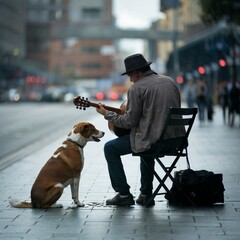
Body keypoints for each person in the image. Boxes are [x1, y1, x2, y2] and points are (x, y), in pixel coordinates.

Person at [96, 53, 184, 207]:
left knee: (110, 148)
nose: (130, 79)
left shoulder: (137, 88)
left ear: (137, 72)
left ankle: (123, 194)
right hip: (176, 141)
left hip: (155, 142)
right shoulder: (170, 82)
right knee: (145, 142)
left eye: (130, 75)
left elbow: (129, 122)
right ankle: (146, 194)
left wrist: (107, 114)